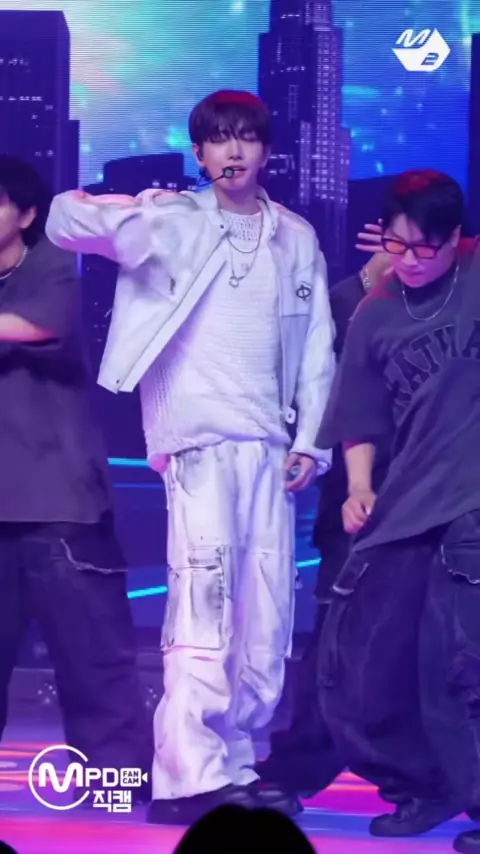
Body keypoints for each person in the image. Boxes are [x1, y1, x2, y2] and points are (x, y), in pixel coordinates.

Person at [45, 90, 336, 824]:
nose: (234, 151)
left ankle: (233, 763)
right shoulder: (174, 221)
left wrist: (310, 443)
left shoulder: (294, 236)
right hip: (198, 445)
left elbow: (316, 351)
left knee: (264, 621)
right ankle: (185, 778)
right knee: (204, 611)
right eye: (219, 139)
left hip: (268, 451)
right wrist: (133, 206)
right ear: (201, 153)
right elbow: (62, 219)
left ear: (265, 149)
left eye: (247, 138)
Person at [316, 168, 480, 853]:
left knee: (458, 661)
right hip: (405, 504)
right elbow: (359, 415)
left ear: (455, 238)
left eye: (424, 248)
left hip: (471, 502)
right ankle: (426, 786)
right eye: (397, 244)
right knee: (358, 665)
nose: (410, 260)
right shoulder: (376, 311)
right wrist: (359, 487)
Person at [0, 156, 151, 796]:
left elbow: (40, 325)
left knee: (96, 666)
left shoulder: (52, 264)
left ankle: (118, 791)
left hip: (61, 509)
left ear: (27, 215)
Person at [257, 248, 392, 807]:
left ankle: (436, 781)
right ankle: (295, 767)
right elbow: (324, 376)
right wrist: (368, 280)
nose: (413, 257)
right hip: (356, 501)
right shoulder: (351, 302)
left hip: (445, 491)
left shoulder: (461, 298)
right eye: (401, 242)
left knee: (445, 645)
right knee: (336, 642)